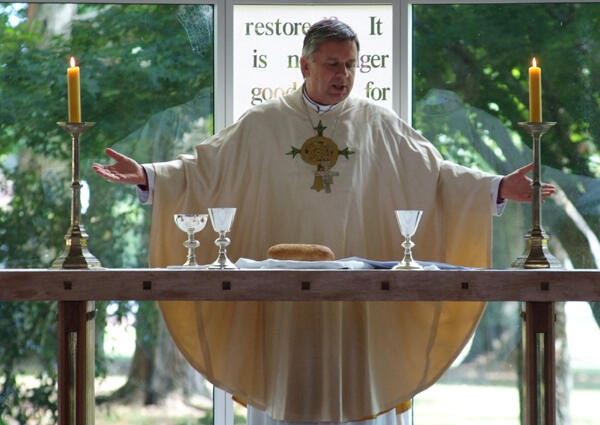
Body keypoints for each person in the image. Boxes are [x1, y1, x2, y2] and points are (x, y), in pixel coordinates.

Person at [93, 19, 554, 425]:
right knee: (286, 387)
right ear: (304, 66)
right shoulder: (262, 123)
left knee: (354, 384)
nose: (344, 75)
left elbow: (436, 177)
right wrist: (150, 176)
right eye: (333, 64)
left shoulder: (379, 123)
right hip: (283, 305)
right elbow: (203, 171)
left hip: (356, 307)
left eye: (352, 65)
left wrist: (495, 187)